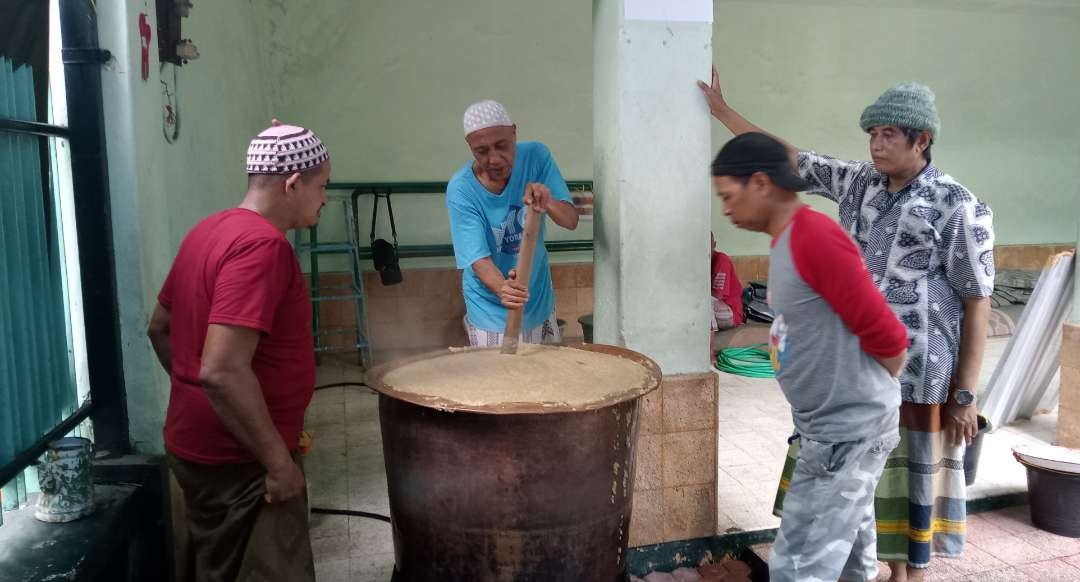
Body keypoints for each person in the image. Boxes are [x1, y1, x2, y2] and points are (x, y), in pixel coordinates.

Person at [700, 71, 995, 581]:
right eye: (872, 135)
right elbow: (789, 159)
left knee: (908, 486)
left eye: (888, 136)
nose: (876, 146)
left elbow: (977, 299)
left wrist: (965, 394)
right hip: (854, 370)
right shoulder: (860, 182)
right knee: (861, 496)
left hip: (918, 370)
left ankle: (910, 574)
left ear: (921, 140)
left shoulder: (956, 204)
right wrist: (724, 112)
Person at [712, 132, 908, 582]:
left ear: (760, 183)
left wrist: (864, 398)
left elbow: (888, 336)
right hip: (830, 427)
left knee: (798, 566)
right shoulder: (786, 239)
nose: (725, 208)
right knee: (851, 563)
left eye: (728, 195)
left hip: (845, 432)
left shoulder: (813, 235)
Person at [146, 122, 330, 582]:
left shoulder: (209, 230)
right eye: (322, 186)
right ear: (293, 183)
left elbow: (159, 328)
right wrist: (277, 462)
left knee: (217, 565)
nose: (325, 198)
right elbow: (222, 371)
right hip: (242, 461)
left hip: (202, 444)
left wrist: (198, 399)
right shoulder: (262, 247)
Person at [447, 99, 578, 347]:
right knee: (499, 382)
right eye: (482, 151)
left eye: (502, 145)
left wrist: (547, 201)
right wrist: (504, 289)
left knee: (546, 380)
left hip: (538, 300)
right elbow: (479, 261)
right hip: (490, 309)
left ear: (514, 132)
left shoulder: (536, 157)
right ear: (470, 147)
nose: (494, 159)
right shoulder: (462, 189)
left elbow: (570, 220)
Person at [710, 232, 744, 359]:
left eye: (707, 245)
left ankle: (709, 354)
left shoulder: (721, 260)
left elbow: (717, 295)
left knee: (705, 302)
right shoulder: (700, 261)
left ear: (714, 244)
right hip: (717, 311)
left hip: (731, 314)